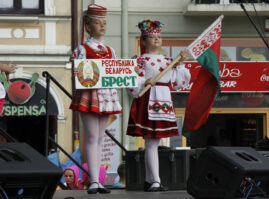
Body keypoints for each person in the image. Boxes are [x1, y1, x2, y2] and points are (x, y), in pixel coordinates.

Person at [126, 19, 191, 192]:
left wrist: (181, 63)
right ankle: (155, 180)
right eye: (151, 36)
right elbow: (130, 80)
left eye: (159, 36)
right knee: (152, 142)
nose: (156, 39)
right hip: (148, 99)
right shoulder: (138, 60)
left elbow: (179, 82)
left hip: (163, 100)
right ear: (143, 41)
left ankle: (151, 180)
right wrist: (144, 81)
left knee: (156, 142)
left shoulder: (169, 60)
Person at [69, 3, 121, 195]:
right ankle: (92, 181)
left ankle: (97, 181)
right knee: (92, 137)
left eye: (104, 23)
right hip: (90, 93)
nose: (103, 26)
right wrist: (76, 70)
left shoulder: (110, 50)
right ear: (88, 27)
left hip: (105, 94)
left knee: (99, 138)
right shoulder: (82, 48)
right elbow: (76, 68)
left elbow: (118, 72)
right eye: (98, 23)